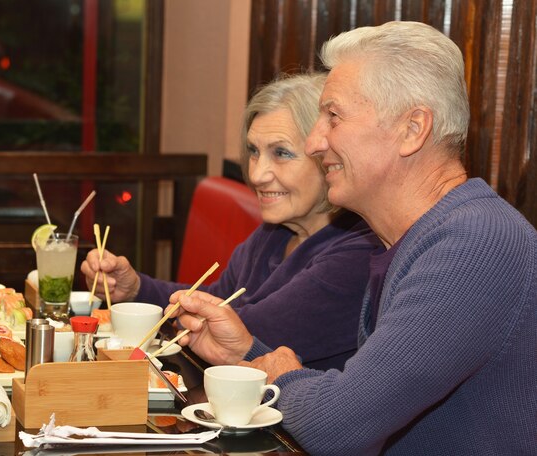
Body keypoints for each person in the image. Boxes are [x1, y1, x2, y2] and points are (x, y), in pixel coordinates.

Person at [168, 21, 537, 455]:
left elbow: (336, 427)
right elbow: (359, 400)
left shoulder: (476, 244)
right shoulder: (424, 237)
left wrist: (283, 376)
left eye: (333, 117)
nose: (314, 141)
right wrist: (246, 354)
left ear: (412, 129)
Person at [82, 73, 381, 370]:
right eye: (253, 151)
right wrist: (135, 289)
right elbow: (217, 300)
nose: (256, 175)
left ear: (327, 156)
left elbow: (235, 331)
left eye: (281, 153)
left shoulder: (359, 253)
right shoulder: (275, 232)